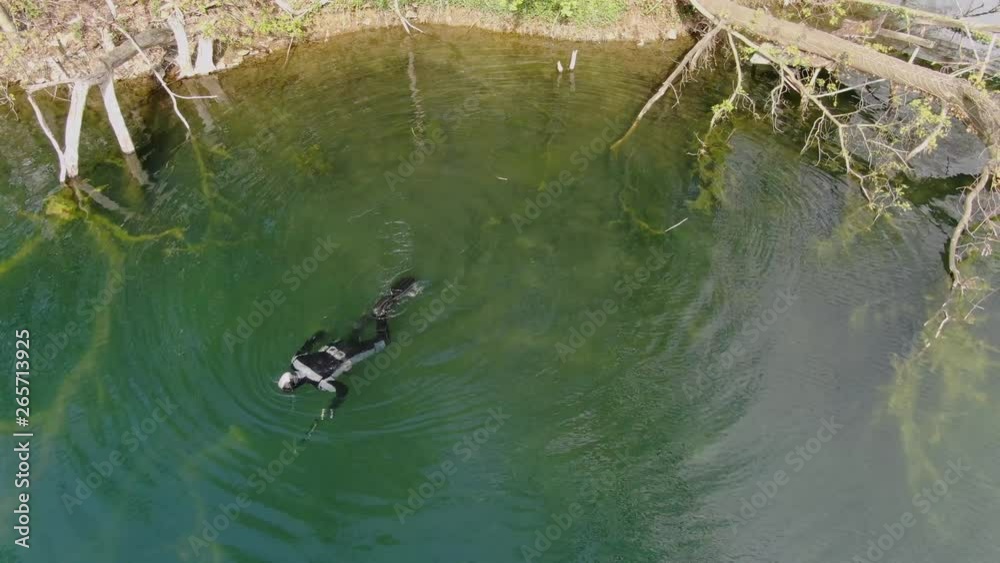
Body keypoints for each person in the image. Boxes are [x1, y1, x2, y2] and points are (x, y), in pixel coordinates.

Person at [277, 276, 420, 417]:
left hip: (351, 353)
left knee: (384, 341)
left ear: (296, 386)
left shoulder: (321, 383)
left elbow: (343, 391)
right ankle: (373, 313)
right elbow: (314, 339)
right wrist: (324, 334)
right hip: (338, 344)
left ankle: (382, 312)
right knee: (356, 331)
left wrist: (332, 408)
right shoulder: (296, 360)